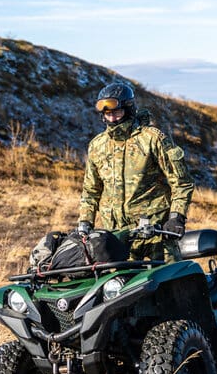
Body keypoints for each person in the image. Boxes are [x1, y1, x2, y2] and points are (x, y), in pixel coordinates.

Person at [76, 82, 195, 262]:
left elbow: (182, 183)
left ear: (129, 109)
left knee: (170, 285)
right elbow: (91, 191)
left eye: (116, 112)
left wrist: (176, 217)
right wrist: (85, 223)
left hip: (157, 235)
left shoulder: (152, 139)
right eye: (107, 114)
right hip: (117, 240)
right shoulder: (97, 146)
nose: (112, 119)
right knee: (116, 288)